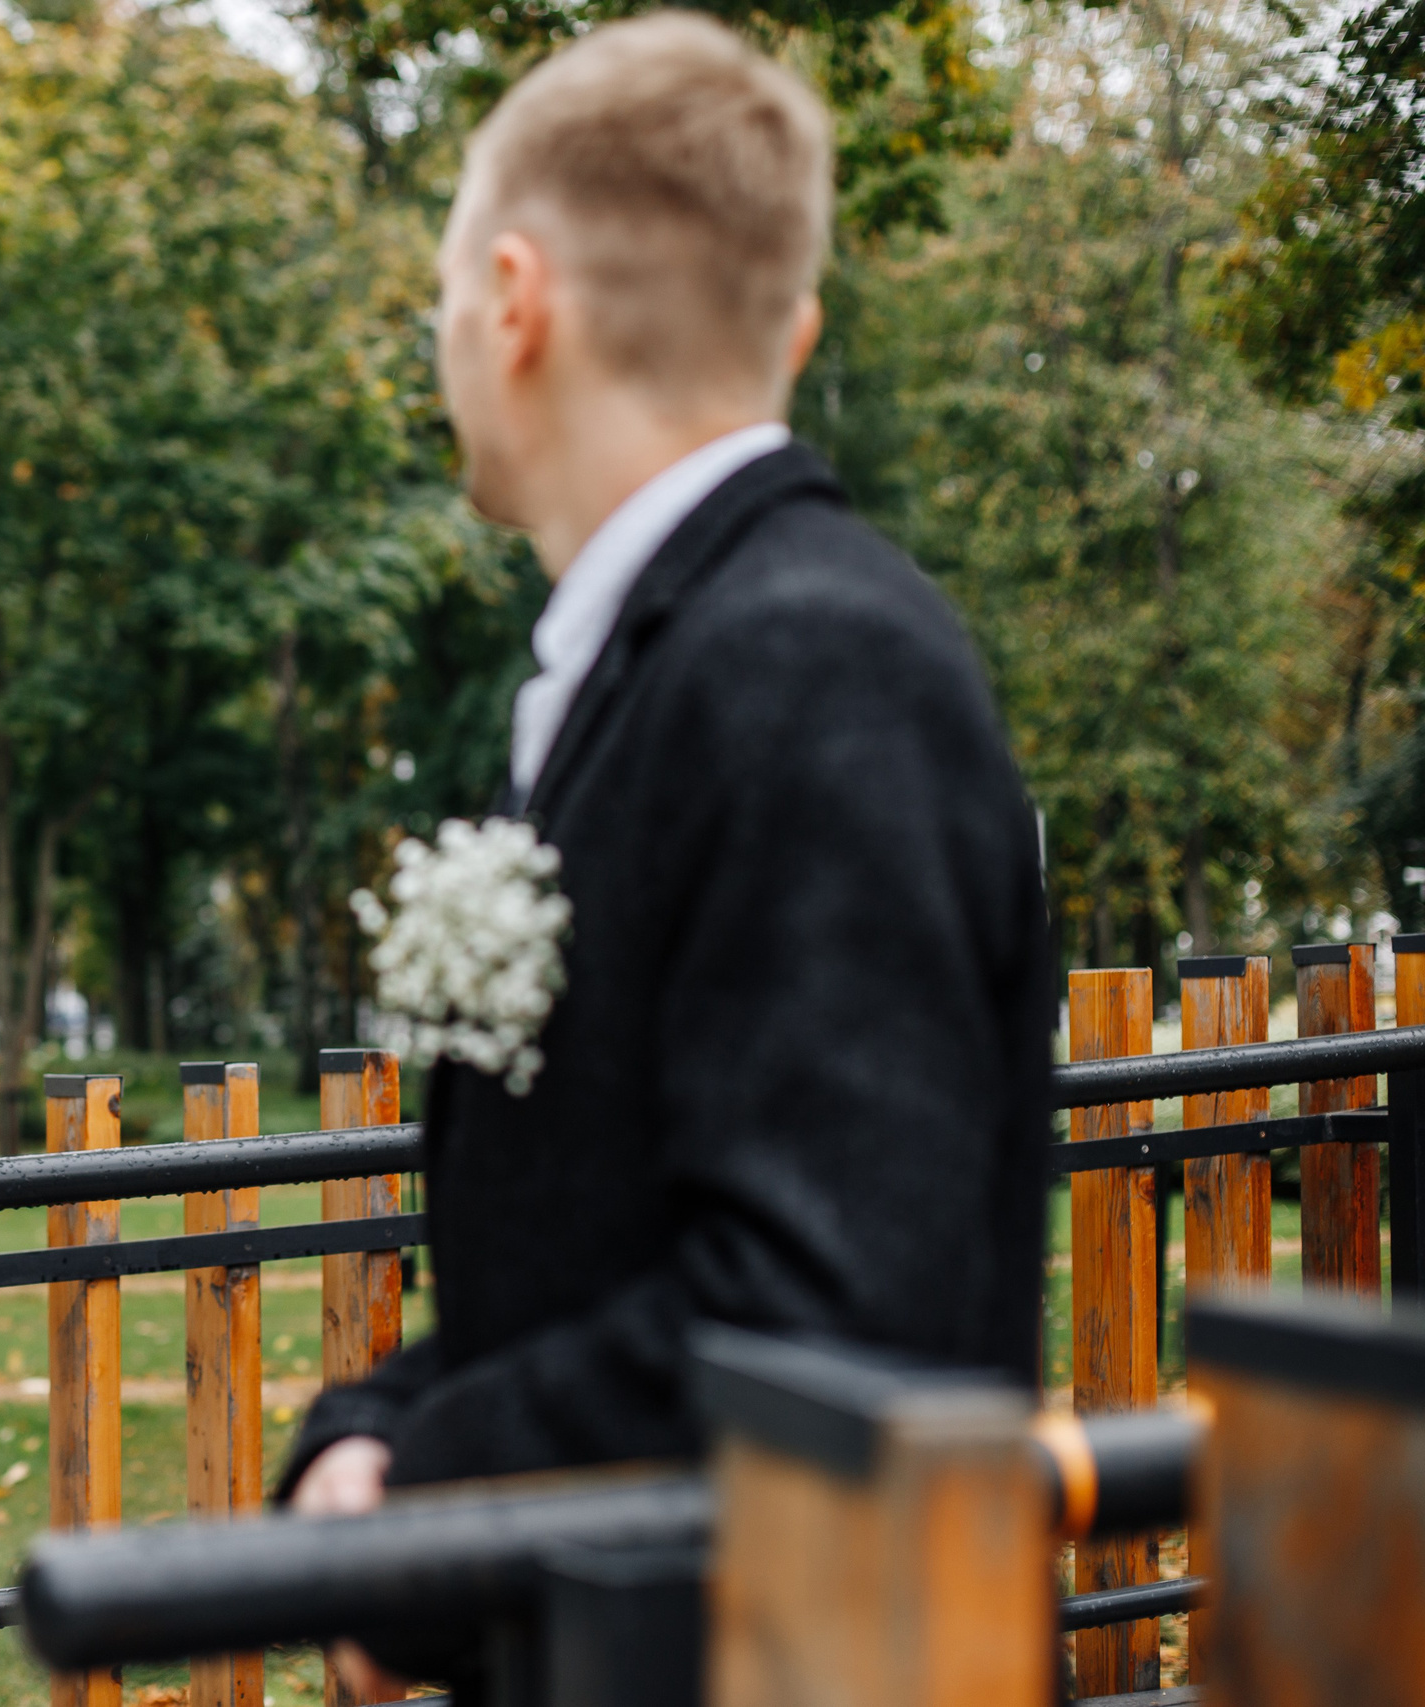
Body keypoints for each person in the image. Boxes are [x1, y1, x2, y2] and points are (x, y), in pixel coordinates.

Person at [279, 12, 1053, 1690]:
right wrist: (373, 1423)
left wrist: (421, 1504)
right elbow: (610, 1245)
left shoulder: (818, 663)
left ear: (512, 301)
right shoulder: (667, 658)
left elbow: (827, 1319)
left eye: (441, 296)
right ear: (797, 326)